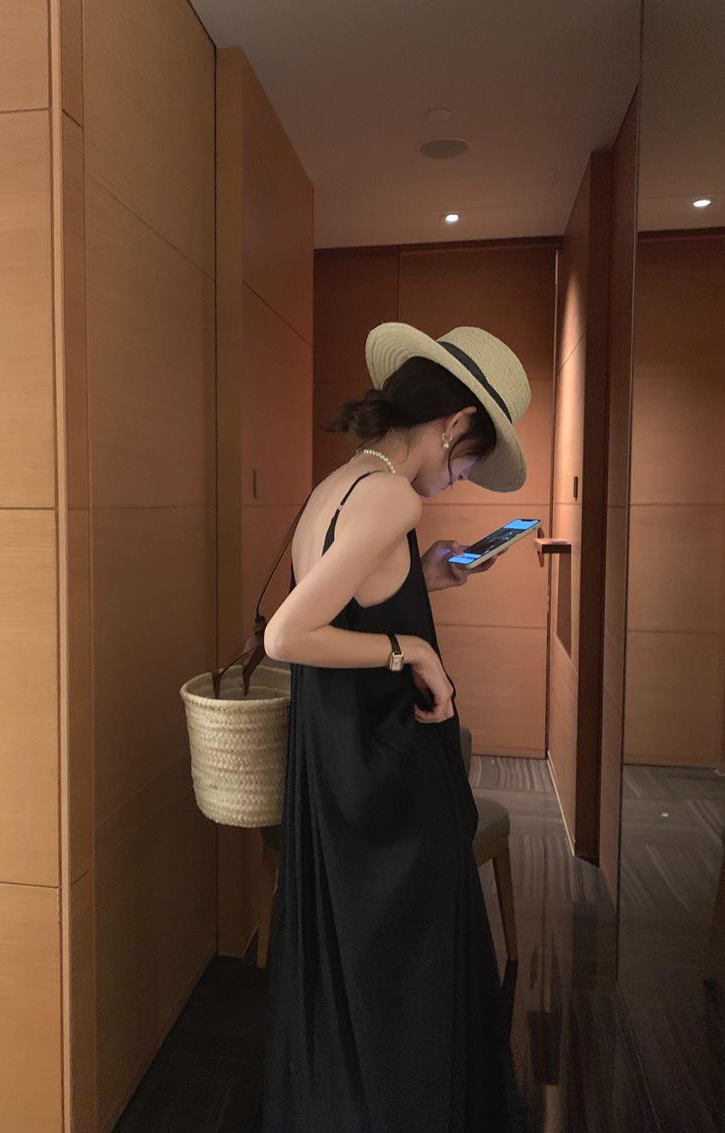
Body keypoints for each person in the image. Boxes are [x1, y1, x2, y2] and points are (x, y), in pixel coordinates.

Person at [258, 322, 531, 1132]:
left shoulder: (344, 481)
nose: (466, 476)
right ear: (456, 423)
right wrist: (409, 647)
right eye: (473, 459)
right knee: (414, 965)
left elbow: (345, 604)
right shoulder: (392, 497)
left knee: (359, 956)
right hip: (385, 771)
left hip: (338, 761)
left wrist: (425, 578)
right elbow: (287, 635)